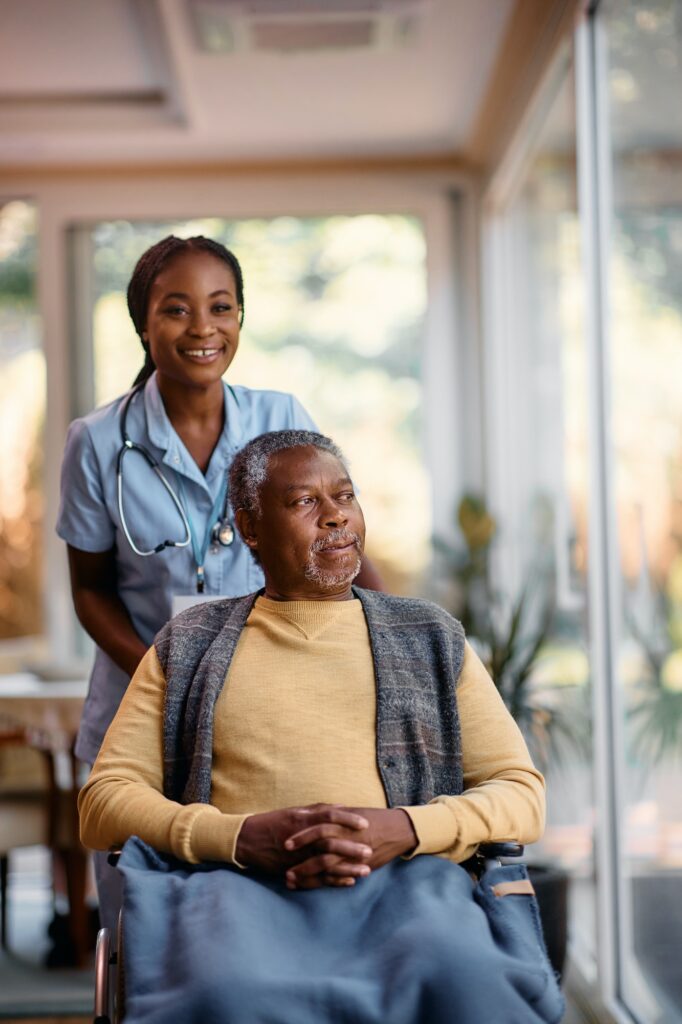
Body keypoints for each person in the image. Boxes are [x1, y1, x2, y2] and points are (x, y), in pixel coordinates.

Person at [78, 430, 563, 1024]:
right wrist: (236, 837)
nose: (336, 517)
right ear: (251, 528)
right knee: (221, 994)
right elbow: (102, 804)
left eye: (345, 496)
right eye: (305, 502)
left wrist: (406, 828)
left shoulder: (430, 636)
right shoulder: (190, 643)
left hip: (410, 889)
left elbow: (521, 793)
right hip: (233, 892)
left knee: (462, 978)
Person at [57, 237, 381, 925]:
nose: (203, 328)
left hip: (266, 707)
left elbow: (339, 540)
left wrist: (399, 636)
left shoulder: (281, 415)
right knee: (146, 917)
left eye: (221, 306)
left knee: (259, 913)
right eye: (176, 309)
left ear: (241, 317)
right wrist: (163, 674)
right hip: (137, 705)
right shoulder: (96, 441)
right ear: (144, 324)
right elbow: (89, 588)